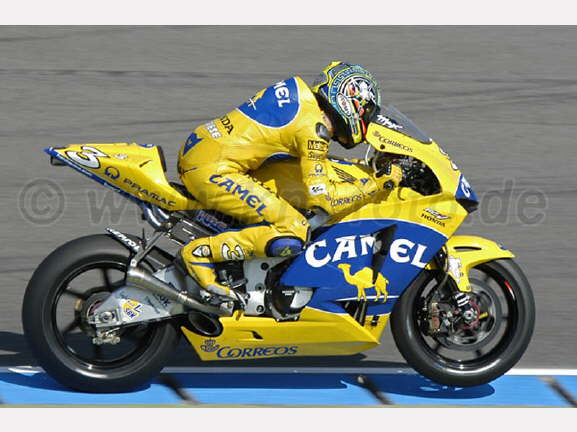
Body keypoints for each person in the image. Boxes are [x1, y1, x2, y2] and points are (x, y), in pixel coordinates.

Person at [177, 61, 402, 304]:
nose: (367, 119)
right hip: (214, 170)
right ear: (349, 102)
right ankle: (201, 253)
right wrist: (375, 185)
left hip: (207, 150)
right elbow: (324, 199)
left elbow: (314, 161)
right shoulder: (313, 129)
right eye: (366, 111)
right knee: (293, 229)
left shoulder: (304, 104)